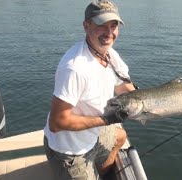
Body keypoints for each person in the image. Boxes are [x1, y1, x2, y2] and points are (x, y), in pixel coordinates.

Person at [43, 1, 135, 179]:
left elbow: (125, 88)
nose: (109, 33)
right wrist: (104, 120)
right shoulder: (75, 68)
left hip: (93, 134)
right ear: (86, 26)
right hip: (70, 151)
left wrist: (169, 104)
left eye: (113, 25)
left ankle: (100, 173)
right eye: (101, 25)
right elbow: (57, 123)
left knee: (120, 137)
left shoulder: (109, 54)